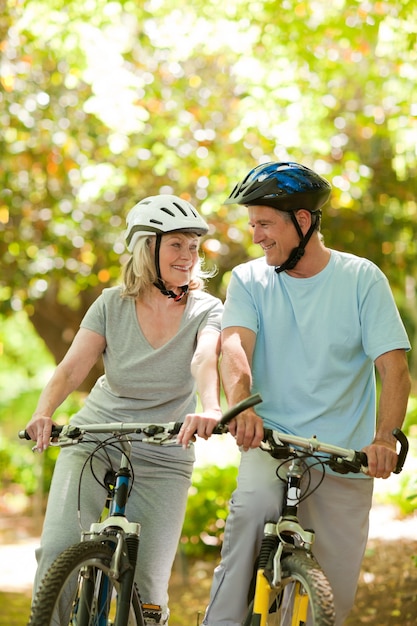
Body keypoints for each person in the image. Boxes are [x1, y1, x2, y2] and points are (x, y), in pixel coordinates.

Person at [202, 161, 411, 626]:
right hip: (270, 441)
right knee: (247, 534)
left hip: (343, 453)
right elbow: (234, 347)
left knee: (331, 600)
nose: (256, 235)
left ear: (301, 220)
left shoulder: (361, 278)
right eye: (252, 223)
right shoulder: (249, 280)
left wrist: (383, 439)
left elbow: (393, 368)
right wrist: (242, 406)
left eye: (264, 223)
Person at [25, 194, 224, 624]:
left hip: (165, 448)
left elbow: (205, 358)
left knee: (149, 583)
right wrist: (44, 412)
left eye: (193, 246)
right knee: (57, 551)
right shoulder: (111, 304)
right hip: (97, 434)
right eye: (176, 244)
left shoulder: (207, 309)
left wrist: (210, 407)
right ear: (146, 248)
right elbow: (72, 368)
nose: (188, 255)